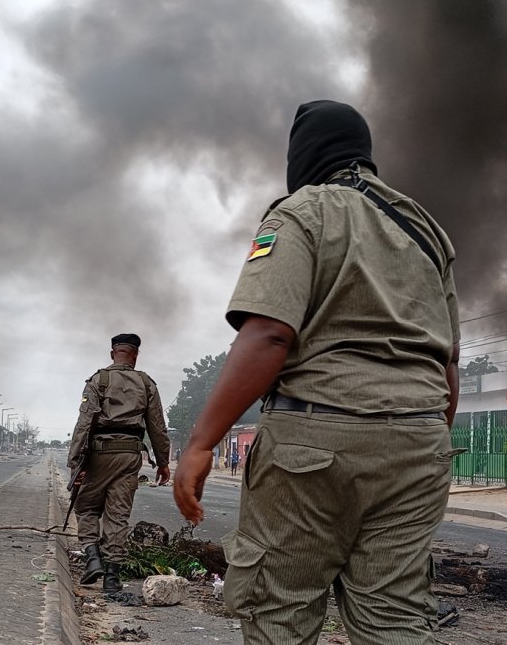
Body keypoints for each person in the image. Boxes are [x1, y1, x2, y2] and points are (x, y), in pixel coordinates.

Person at [173, 100, 461, 645]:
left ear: (304, 153)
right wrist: (418, 442)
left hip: (314, 444)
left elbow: (269, 335)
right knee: (396, 618)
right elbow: (447, 362)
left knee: (279, 610)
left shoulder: (301, 212)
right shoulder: (427, 230)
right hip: (419, 442)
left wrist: (201, 442)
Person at [69, 333, 172, 593]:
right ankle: (112, 578)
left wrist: (75, 463)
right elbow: (157, 427)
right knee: (118, 515)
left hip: (98, 454)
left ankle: (93, 558)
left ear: (112, 352)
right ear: (135, 355)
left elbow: (84, 423)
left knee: (87, 508)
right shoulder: (146, 383)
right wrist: (163, 462)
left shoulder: (98, 380)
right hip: (130, 455)